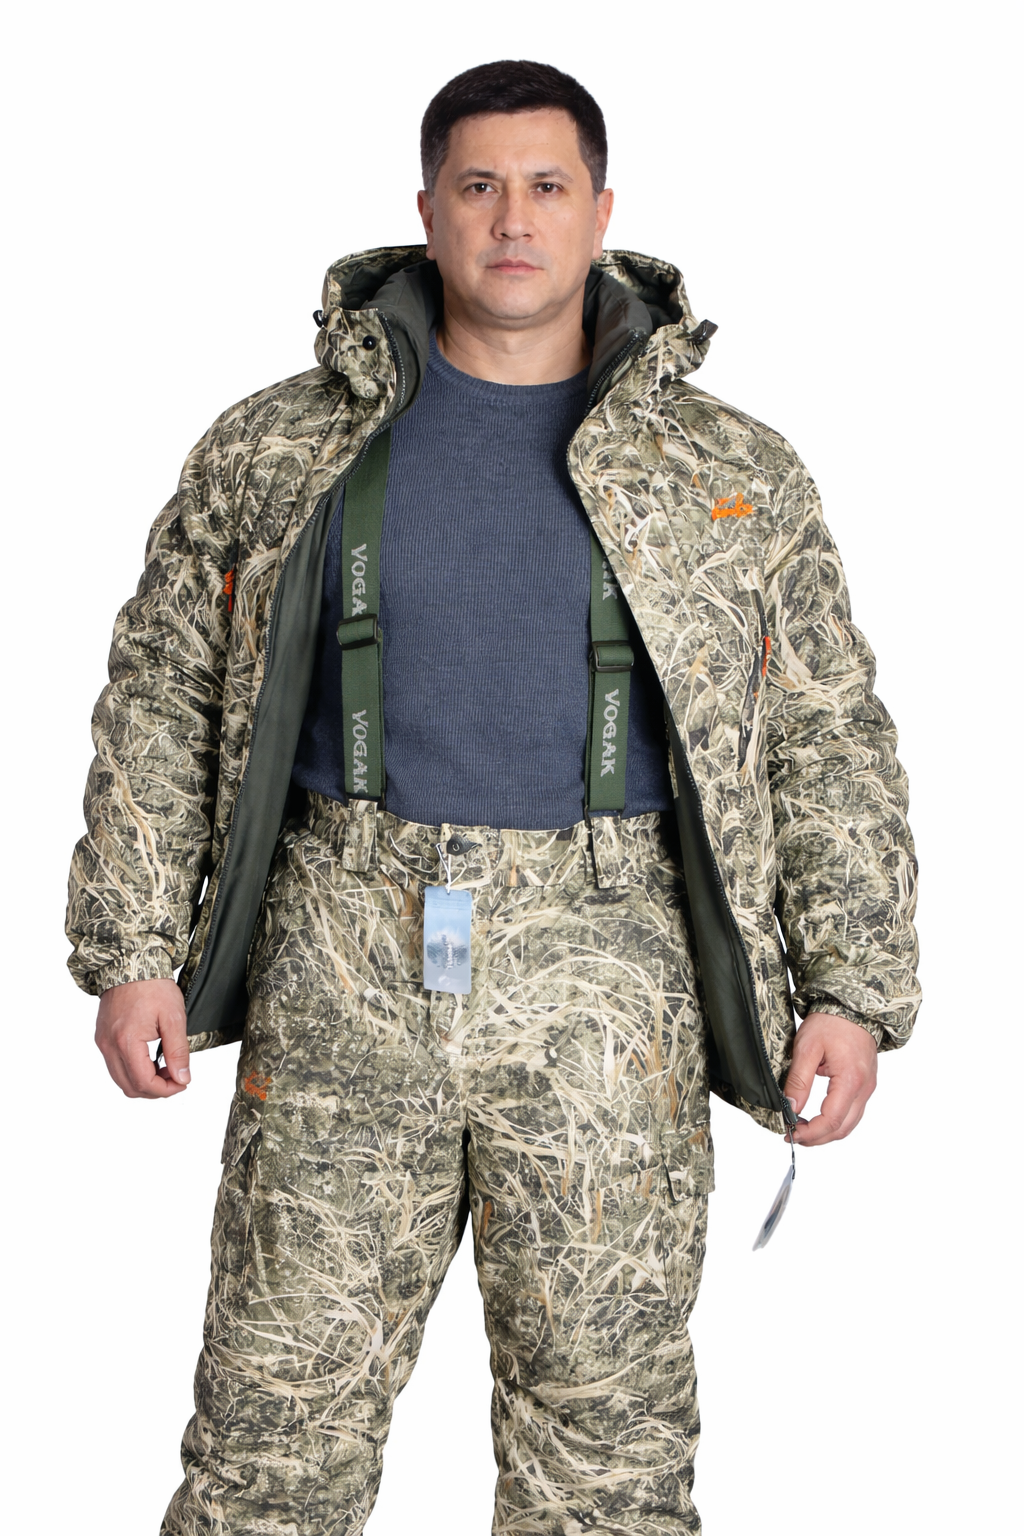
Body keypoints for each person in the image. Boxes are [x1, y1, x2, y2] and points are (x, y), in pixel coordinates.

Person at [66, 59, 920, 1536]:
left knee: (606, 1465)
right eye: (478, 186)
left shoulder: (728, 473)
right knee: (272, 1441)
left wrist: (853, 985)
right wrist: (133, 946)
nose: (512, 220)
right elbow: (162, 692)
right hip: (341, 962)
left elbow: (825, 733)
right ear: (427, 211)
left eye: (545, 186)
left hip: (610, 978)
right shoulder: (279, 448)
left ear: (602, 210)